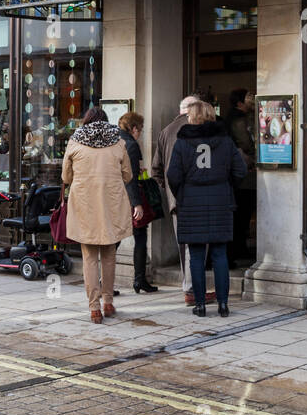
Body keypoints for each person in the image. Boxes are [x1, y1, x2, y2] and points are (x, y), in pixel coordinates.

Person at [166, 100, 247, 318]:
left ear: (191, 117)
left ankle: (200, 305)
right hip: (220, 200)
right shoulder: (225, 140)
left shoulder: (182, 142)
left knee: (196, 255)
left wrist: (182, 192)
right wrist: (227, 186)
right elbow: (240, 170)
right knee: (220, 254)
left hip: (192, 202)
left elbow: (172, 175)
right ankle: (223, 304)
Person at [62, 106, 137, 324]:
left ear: (86, 121)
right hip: (111, 204)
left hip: (85, 204)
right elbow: (128, 175)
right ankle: (108, 302)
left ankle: (94, 308)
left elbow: (66, 177)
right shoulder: (118, 142)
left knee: (89, 257)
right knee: (109, 255)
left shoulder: (75, 142)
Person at [151, 94, 202, 306]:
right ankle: (192, 288)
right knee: (200, 244)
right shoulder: (201, 129)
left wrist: (170, 190)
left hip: (176, 199)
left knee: (184, 244)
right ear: (194, 109)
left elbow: (156, 170)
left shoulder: (165, 131)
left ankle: (188, 286)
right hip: (200, 196)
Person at [118, 111, 158, 293]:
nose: (140, 132)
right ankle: (139, 279)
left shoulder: (115, 140)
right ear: (133, 128)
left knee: (114, 239)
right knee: (140, 235)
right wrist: (137, 203)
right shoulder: (131, 145)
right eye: (140, 129)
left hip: (115, 197)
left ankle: (104, 280)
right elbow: (131, 178)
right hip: (129, 198)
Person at [225, 88, 257, 268]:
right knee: (241, 215)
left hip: (241, 175)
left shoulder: (235, 118)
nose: (251, 99)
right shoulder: (238, 120)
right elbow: (245, 142)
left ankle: (239, 247)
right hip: (244, 175)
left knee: (241, 215)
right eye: (248, 98)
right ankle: (237, 249)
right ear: (240, 102)